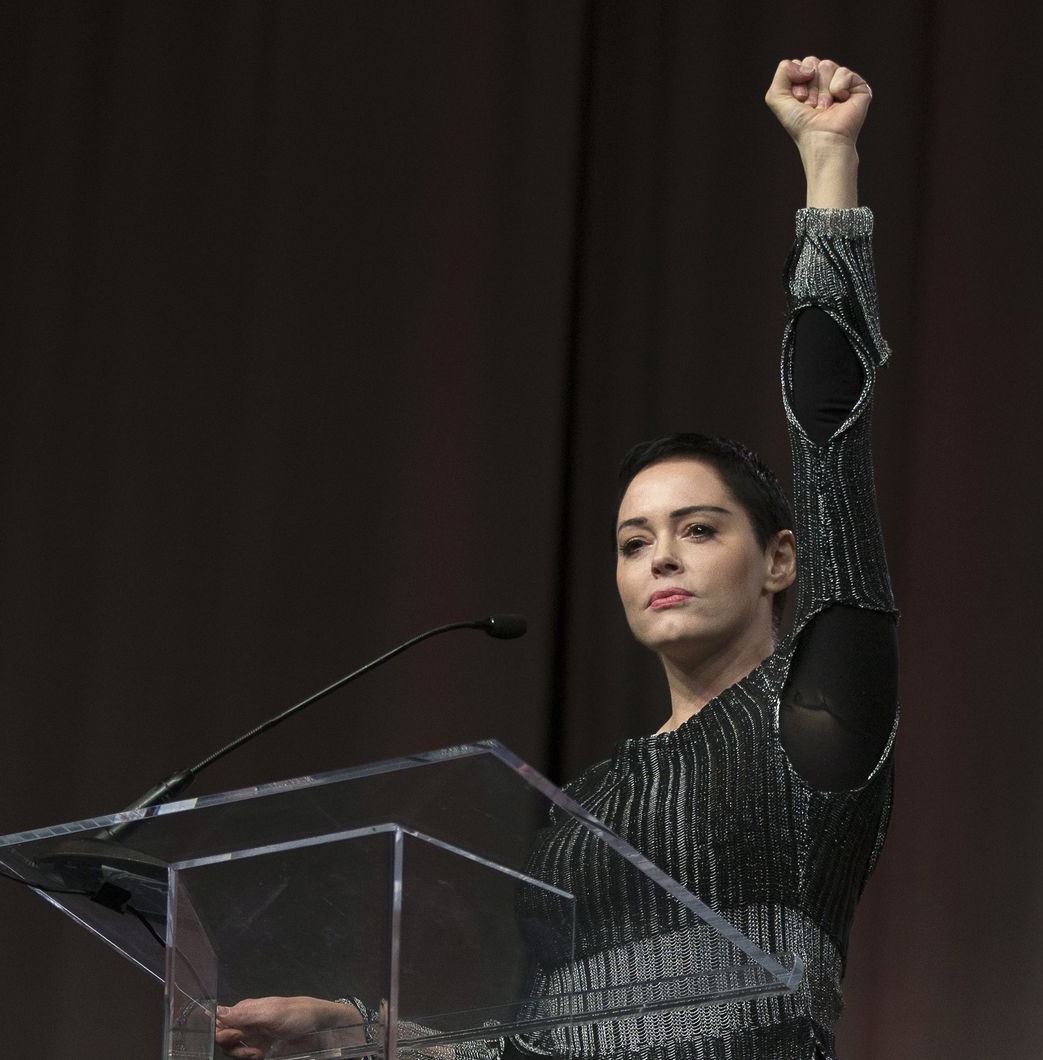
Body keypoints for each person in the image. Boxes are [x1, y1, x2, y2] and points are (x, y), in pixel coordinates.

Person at [216, 54, 897, 1060]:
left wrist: (828, 168)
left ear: (782, 559)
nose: (660, 557)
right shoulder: (593, 802)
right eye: (634, 542)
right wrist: (366, 1037)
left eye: (699, 528)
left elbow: (831, 435)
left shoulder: (819, 721)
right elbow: (543, 1043)